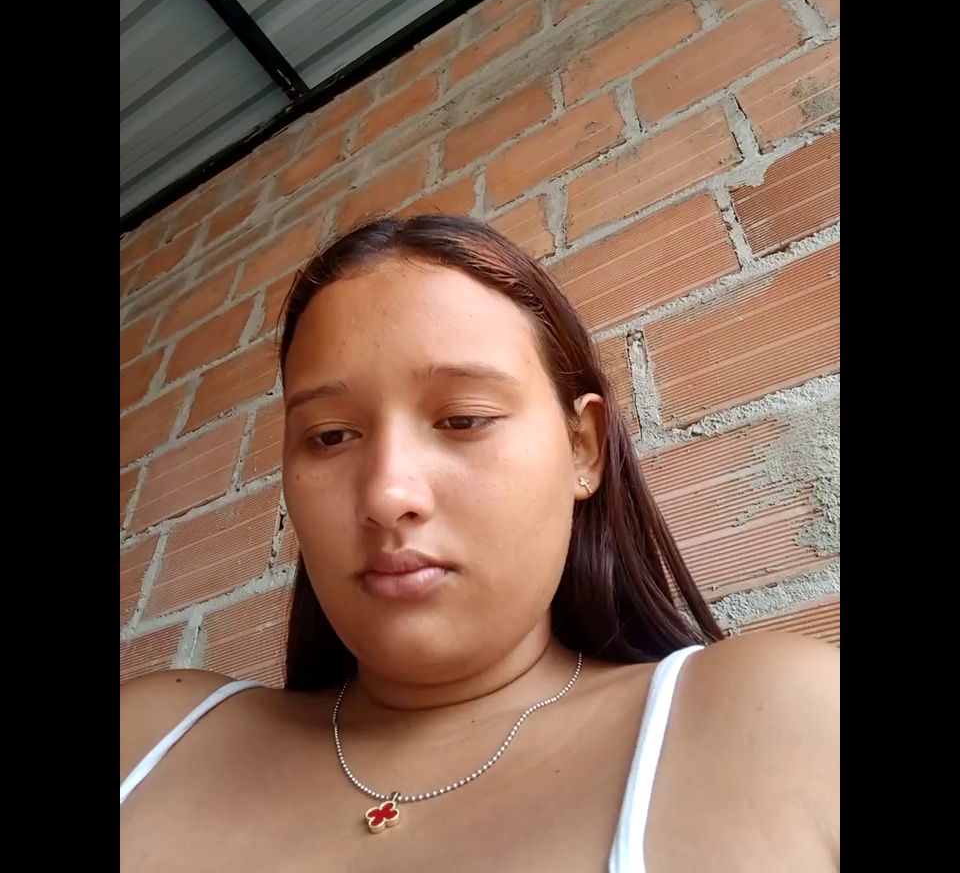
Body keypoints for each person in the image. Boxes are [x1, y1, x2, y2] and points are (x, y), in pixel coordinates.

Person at [120, 214, 839, 872]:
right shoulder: (150, 737)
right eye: (331, 436)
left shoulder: (783, 722)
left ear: (583, 448)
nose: (387, 493)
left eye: (463, 419)